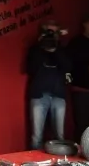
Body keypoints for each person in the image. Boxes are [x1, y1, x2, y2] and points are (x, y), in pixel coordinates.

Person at [26, 21, 71, 150]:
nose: (51, 35)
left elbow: (68, 67)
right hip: (38, 95)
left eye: (54, 32)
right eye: (48, 32)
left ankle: (59, 160)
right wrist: (41, 48)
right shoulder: (35, 50)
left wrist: (55, 50)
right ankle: (35, 161)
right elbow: (30, 69)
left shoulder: (63, 49)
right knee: (36, 137)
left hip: (58, 95)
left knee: (59, 136)